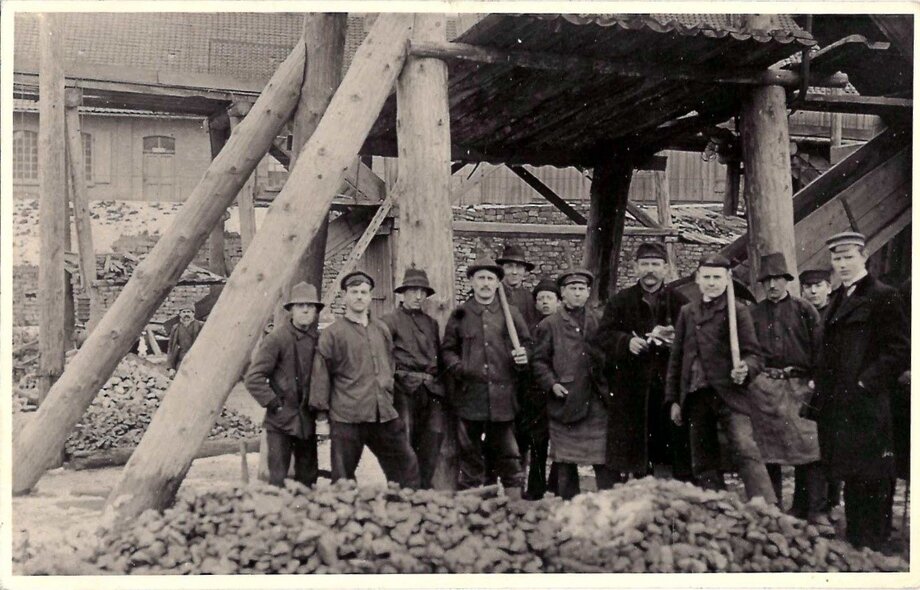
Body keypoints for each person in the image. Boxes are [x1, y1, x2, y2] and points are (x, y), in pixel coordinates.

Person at [809, 232, 909, 551]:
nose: (842, 264)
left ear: (863, 257)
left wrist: (867, 382)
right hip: (841, 405)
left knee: (874, 475)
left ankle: (875, 543)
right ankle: (856, 540)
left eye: (848, 257)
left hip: (868, 404)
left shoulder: (883, 295)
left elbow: (899, 349)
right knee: (851, 472)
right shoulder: (838, 297)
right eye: (837, 259)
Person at [665, 254, 776, 503]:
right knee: (703, 459)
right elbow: (677, 358)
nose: (712, 282)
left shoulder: (737, 311)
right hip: (696, 395)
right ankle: (716, 507)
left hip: (729, 394)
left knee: (745, 448)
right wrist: (673, 399)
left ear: (727, 279)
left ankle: (766, 508)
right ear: (698, 279)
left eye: (717, 277)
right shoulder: (687, 312)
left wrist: (745, 368)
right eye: (707, 277)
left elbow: (754, 355)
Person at [309, 271, 420, 489]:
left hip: (383, 415)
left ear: (370, 297)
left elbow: (389, 365)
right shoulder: (332, 334)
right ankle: (346, 518)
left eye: (363, 292)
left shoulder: (381, 330)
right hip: (347, 417)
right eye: (354, 292)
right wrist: (322, 418)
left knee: (406, 466)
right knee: (343, 479)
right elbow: (321, 377)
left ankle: (402, 515)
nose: (359, 297)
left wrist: (388, 398)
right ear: (345, 296)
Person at [594, 241, 692, 482]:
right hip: (632, 388)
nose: (650, 270)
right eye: (645, 264)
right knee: (635, 451)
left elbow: (692, 339)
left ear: (666, 269)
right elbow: (602, 337)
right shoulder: (621, 301)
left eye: (655, 264)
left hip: (667, 385)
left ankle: (669, 493)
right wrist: (626, 342)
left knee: (670, 446)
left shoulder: (679, 302)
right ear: (636, 268)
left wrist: (673, 340)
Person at [748, 253, 829, 526]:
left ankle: (812, 510)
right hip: (765, 389)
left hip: (799, 387)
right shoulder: (753, 313)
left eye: (777, 279)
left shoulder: (805, 310)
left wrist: (816, 380)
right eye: (767, 280)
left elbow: (820, 349)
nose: (772, 285)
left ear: (786, 281)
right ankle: (773, 509)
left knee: (809, 449)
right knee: (768, 451)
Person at [442, 255, 531, 498]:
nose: (485, 283)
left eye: (490, 279)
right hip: (470, 397)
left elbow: (527, 345)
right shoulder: (460, 314)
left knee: (510, 455)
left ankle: (515, 507)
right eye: (480, 278)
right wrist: (461, 368)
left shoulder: (510, 313)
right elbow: (447, 350)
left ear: (497, 283)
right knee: (470, 457)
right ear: (471, 281)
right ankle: (474, 510)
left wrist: (525, 357)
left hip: (502, 398)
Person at [533, 269, 617, 499]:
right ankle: (569, 506)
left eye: (582, 289)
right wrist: (552, 384)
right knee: (565, 460)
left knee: (603, 459)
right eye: (572, 289)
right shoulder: (549, 325)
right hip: (566, 400)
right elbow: (539, 361)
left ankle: (608, 507)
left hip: (596, 399)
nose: (577, 294)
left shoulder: (599, 320)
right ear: (562, 293)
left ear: (588, 292)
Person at [244, 282, 321, 487]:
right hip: (280, 421)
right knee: (277, 479)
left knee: (308, 478)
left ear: (315, 311)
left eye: (310, 306)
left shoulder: (319, 340)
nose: (305, 310)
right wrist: (274, 403)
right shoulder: (276, 339)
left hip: (307, 421)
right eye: (300, 305)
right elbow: (254, 377)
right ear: (291, 310)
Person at [381, 267, 445, 490]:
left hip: (431, 390)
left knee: (433, 440)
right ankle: (402, 492)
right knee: (403, 442)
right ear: (403, 293)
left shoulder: (431, 324)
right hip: (403, 389)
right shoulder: (389, 321)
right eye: (413, 291)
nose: (418, 297)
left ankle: (423, 491)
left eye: (422, 292)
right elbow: (382, 359)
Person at [518, 277, 560, 499]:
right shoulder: (533, 329)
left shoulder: (564, 325)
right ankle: (535, 487)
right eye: (541, 298)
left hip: (561, 391)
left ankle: (557, 485)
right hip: (537, 394)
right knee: (537, 441)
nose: (545, 302)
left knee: (562, 441)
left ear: (558, 301)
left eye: (549, 298)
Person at [496, 243, 539, 330]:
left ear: (524, 271)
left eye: (519, 267)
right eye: (509, 267)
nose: (514, 272)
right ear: (501, 269)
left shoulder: (529, 298)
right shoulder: (493, 294)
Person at [166, 305, 204, 375]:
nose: (186, 314)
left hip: (197, 360)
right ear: (180, 314)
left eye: (188, 312)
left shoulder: (200, 326)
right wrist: (170, 367)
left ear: (193, 313)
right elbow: (171, 348)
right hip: (181, 361)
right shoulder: (176, 328)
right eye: (184, 312)